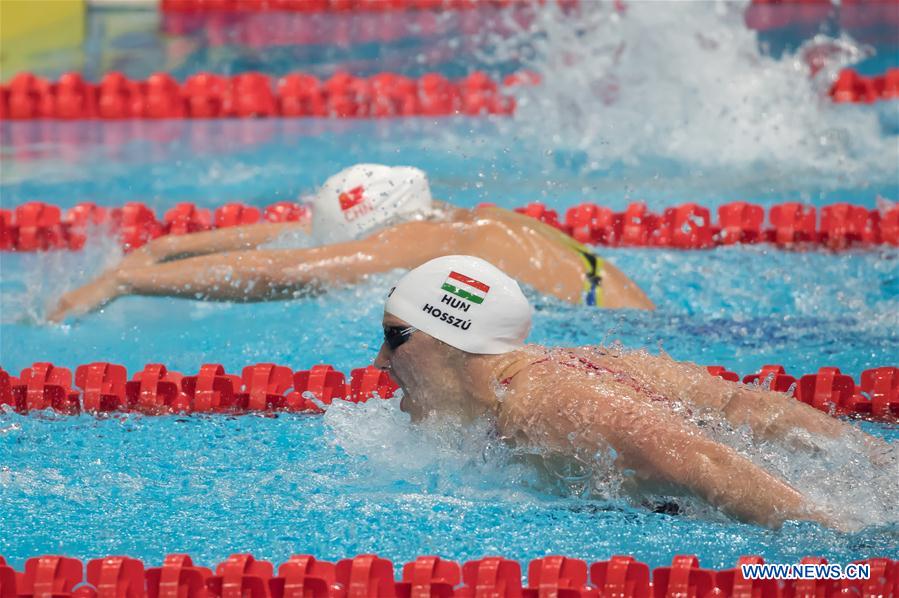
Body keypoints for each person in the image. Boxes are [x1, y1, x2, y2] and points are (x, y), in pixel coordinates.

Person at [373, 255, 893, 530]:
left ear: (454, 338)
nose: (380, 362)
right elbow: (746, 407)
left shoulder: (542, 408)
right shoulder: (576, 365)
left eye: (396, 338)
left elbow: (706, 463)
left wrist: (839, 539)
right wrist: (877, 458)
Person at [48, 164, 653, 322]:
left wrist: (129, 281)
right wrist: (163, 249)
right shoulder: (463, 221)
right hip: (633, 323)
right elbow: (299, 240)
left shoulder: (424, 239)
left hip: (626, 345)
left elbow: (292, 271)